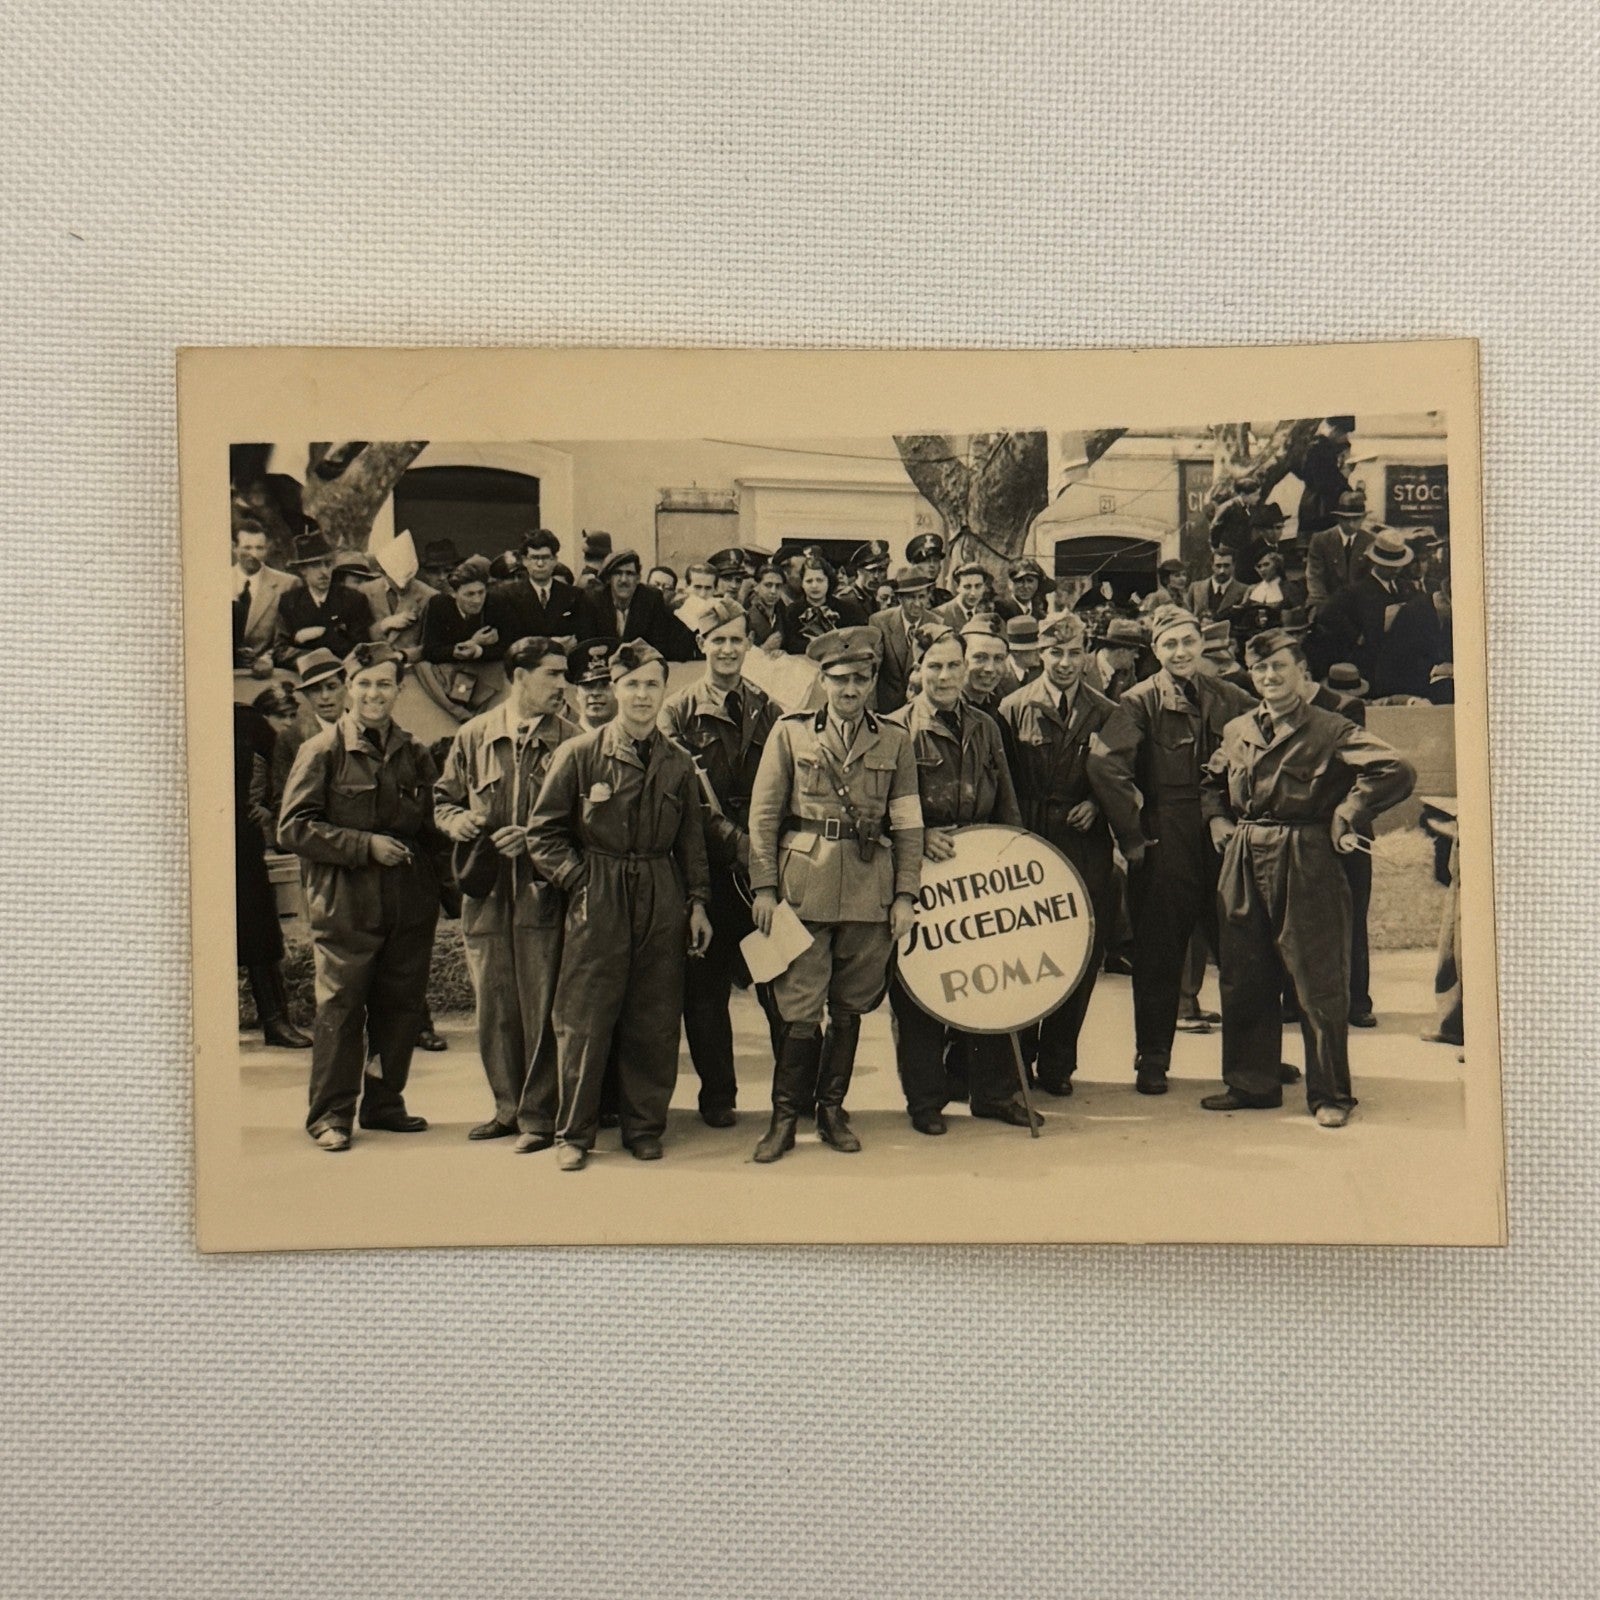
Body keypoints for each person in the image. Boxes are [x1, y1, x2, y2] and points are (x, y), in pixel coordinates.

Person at [1199, 628, 1414, 1125]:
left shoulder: (1330, 728)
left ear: (1301, 673)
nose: (1270, 676)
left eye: (1279, 666)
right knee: (1244, 973)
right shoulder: (1237, 730)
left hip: (1305, 853)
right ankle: (1251, 1082)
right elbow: (1211, 780)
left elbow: (1395, 768)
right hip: (1244, 853)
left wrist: (1349, 812)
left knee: (1318, 977)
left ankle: (1331, 1094)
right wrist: (1216, 818)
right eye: (1260, 669)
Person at [525, 642, 713, 1171]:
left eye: (652, 684)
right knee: (584, 1017)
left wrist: (698, 903)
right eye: (631, 685)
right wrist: (580, 880)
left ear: (665, 690)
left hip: (660, 891)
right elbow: (543, 834)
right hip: (599, 892)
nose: (642, 695)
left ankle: (644, 1127)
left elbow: (692, 843)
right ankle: (573, 1133)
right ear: (614, 689)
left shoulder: (678, 763)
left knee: (654, 1016)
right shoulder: (580, 754)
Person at [746, 627, 924, 1161]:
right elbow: (763, 816)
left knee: (850, 1007)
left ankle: (831, 1111)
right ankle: (784, 1119)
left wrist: (905, 895)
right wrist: (764, 887)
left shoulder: (895, 739)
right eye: (840, 678)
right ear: (822, 680)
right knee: (800, 1007)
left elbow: (907, 823)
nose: (850, 689)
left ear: (871, 682)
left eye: (860, 679)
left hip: (870, 891)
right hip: (804, 887)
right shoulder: (791, 733)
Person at [277, 642, 443, 1151]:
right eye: (365, 684)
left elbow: (432, 831)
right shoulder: (322, 751)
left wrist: (448, 894)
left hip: (407, 903)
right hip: (345, 903)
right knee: (342, 1008)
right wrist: (364, 845)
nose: (374, 694)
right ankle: (330, 1115)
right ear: (350, 689)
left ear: (399, 689)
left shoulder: (414, 752)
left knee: (400, 1007)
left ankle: (384, 1103)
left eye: (384, 684)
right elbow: (293, 828)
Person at [1086, 605, 1258, 1095]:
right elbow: (1105, 765)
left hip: (1223, 838)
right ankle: (1153, 1057)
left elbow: (1268, 739)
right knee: (1159, 956)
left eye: (1188, 642)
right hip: (1167, 840)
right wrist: (1133, 834)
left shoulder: (1231, 696)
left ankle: (1254, 1058)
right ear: (1156, 651)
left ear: (1201, 644)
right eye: (1169, 645)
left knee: (1241, 952)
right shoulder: (1139, 702)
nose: (1180, 653)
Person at [886, 626, 1032, 1133]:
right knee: (920, 989)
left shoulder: (986, 726)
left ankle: (993, 1093)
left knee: (991, 980)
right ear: (918, 671)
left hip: (980, 874)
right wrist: (920, 835)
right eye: (935, 666)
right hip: (921, 875)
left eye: (954, 665)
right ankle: (925, 1100)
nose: (945, 676)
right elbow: (878, 807)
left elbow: (1006, 799)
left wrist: (1013, 859)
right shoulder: (895, 729)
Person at [433, 636, 576, 1150]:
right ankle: (506, 1108)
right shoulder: (473, 735)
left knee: (542, 1005)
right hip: (486, 896)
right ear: (519, 676)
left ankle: (539, 1116)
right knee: (494, 1006)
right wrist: (457, 822)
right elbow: (443, 800)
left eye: (564, 674)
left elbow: (585, 823)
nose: (563, 685)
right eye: (552, 674)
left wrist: (533, 842)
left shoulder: (573, 741)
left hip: (543, 894)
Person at [659, 598, 783, 1126]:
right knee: (705, 996)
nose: (728, 649)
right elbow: (686, 796)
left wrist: (763, 853)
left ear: (749, 644)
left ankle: (794, 1094)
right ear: (701, 644)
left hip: (762, 873)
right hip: (705, 869)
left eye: (736, 639)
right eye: (718, 640)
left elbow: (786, 784)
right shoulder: (676, 711)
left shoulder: (770, 708)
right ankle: (718, 1096)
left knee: (780, 987)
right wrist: (739, 844)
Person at [997, 612, 1117, 1097]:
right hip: (1031, 838)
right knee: (1027, 953)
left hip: (1084, 844)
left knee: (1079, 952)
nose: (1065, 663)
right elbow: (1003, 779)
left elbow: (1122, 774)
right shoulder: (1013, 707)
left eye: (1074, 653)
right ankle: (1019, 1058)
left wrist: (1098, 804)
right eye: (1054, 653)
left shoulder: (1106, 710)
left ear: (1086, 655)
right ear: (1039, 654)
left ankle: (1058, 1062)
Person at [235, 695, 312, 1050]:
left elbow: (288, 768)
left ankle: (275, 1021)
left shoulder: (247, 721)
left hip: (239, 840)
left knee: (259, 929)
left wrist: (269, 807)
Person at [1329, 528, 1445, 698]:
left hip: (1404, 668)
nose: (1396, 570)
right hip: (1372, 670)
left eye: (1399, 565)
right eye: (1390, 566)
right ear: (1377, 563)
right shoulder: (1355, 593)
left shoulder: (1406, 588)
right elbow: (1332, 621)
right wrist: (1360, 638)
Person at [274, 522, 376, 665]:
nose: (324, 572)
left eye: (328, 564)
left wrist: (314, 636)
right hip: (303, 672)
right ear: (303, 570)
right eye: (316, 565)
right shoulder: (289, 602)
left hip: (347, 670)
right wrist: (303, 644)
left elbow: (362, 647)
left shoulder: (353, 599)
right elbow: (280, 652)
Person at [588, 549, 698, 661]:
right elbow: (589, 645)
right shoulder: (594, 601)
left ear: (638, 578)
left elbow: (659, 645)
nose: (624, 580)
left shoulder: (651, 599)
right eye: (618, 573)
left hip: (640, 665)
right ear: (609, 578)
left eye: (630, 573)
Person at [496, 528, 595, 644]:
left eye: (545, 557)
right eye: (534, 558)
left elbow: (584, 637)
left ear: (555, 560)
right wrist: (551, 644)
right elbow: (507, 639)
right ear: (525, 560)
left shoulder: (575, 596)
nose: (540, 564)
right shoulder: (507, 596)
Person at [867, 565, 936, 713]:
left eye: (922, 597)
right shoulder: (880, 622)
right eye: (911, 597)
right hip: (887, 710)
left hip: (923, 708)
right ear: (899, 598)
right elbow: (872, 669)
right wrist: (869, 710)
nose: (917, 603)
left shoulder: (937, 623)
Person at [232, 521, 298, 674]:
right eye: (247, 548)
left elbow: (290, 637)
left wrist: (267, 658)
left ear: (267, 548)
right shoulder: (217, 582)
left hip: (268, 674)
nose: (254, 554)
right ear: (234, 547)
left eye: (259, 548)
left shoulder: (288, 584)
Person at [359, 550, 437, 665]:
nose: (403, 584)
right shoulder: (365, 591)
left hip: (411, 666)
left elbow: (433, 645)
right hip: (371, 665)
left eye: (408, 577)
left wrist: (402, 655)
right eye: (396, 577)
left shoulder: (430, 596)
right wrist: (384, 625)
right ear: (382, 571)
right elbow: (358, 635)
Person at [1305, 490, 1374, 610]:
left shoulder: (1370, 541)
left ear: (1363, 518)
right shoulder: (1320, 540)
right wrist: (1326, 608)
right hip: (1327, 603)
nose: (1351, 524)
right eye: (1346, 519)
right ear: (1338, 518)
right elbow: (1315, 578)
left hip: (1359, 605)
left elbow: (1370, 580)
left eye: (1356, 519)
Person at [779, 554, 863, 651]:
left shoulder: (848, 610)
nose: (814, 586)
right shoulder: (791, 613)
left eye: (820, 580)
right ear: (802, 583)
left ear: (828, 581)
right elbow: (787, 645)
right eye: (809, 581)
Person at [959, 613, 1020, 716]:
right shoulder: (946, 710)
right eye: (980, 657)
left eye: (998, 658)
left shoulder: (1002, 708)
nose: (990, 668)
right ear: (960, 658)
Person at [565, 638, 619, 731]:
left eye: (605, 685)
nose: (595, 692)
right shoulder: (564, 738)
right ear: (577, 693)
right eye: (588, 685)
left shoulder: (639, 737)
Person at [1187, 549, 1247, 628]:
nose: (1222, 571)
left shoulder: (1244, 591)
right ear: (1212, 565)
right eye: (1218, 566)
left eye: (1226, 566)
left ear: (1233, 566)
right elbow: (1187, 616)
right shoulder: (1195, 588)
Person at [934, 562, 991, 629]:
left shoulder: (987, 615)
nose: (973, 593)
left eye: (978, 586)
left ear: (984, 587)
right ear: (957, 587)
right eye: (967, 587)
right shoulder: (939, 615)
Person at [906, 531, 954, 606]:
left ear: (940, 567)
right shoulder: (905, 597)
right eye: (927, 561)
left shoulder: (946, 598)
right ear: (914, 566)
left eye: (936, 560)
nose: (932, 565)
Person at [745, 563, 786, 648]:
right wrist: (764, 648)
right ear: (756, 586)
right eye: (768, 585)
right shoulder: (746, 613)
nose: (773, 591)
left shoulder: (782, 609)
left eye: (778, 586)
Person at [1006, 614, 1044, 684]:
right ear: (1016, 652)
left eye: (1041, 649)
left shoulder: (1041, 670)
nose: (1040, 654)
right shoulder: (999, 674)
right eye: (1035, 650)